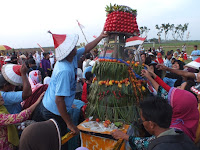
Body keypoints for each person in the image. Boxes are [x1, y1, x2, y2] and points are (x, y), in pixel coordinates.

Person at [32, 30, 107, 149]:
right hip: (53, 112)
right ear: (69, 51)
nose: (76, 47)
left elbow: (86, 48)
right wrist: (69, 123)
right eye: (74, 46)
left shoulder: (72, 56)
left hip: (52, 105)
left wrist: (101, 36)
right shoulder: (64, 70)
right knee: (60, 143)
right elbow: (59, 101)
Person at [111, 96, 199, 150]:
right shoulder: (182, 136)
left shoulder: (160, 147)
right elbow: (146, 143)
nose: (142, 124)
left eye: (142, 120)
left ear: (151, 124)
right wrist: (125, 136)